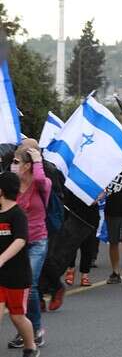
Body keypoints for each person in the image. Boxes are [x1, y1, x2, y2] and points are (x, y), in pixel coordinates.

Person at [9, 146, 50, 349]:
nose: (13, 165)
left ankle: (36, 329)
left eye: (17, 162)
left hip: (37, 240)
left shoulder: (42, 184)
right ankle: (23, 331)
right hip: (16, 243)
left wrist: (38, 160)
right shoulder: (12, 186)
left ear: (27, 165)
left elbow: (42, 180)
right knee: (15, 288)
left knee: (30, 285)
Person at [0, 172, 40, 357]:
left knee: (17, 316)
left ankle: (30, 346)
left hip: (17, 275)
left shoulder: (17, 214)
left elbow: (21, 240)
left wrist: (2, 258)